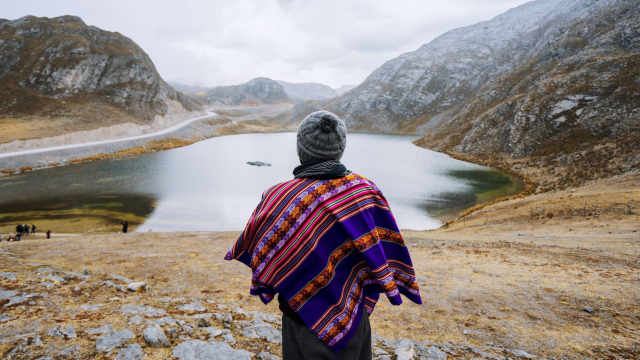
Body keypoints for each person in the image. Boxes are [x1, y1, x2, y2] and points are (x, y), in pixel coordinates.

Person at [225, 111, 422, 360]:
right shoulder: (364, 192)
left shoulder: (279, 197)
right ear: (340, 149)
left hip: (299, 321)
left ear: (301, 149)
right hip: (353, 317)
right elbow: (386, 250)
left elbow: (261, 250)